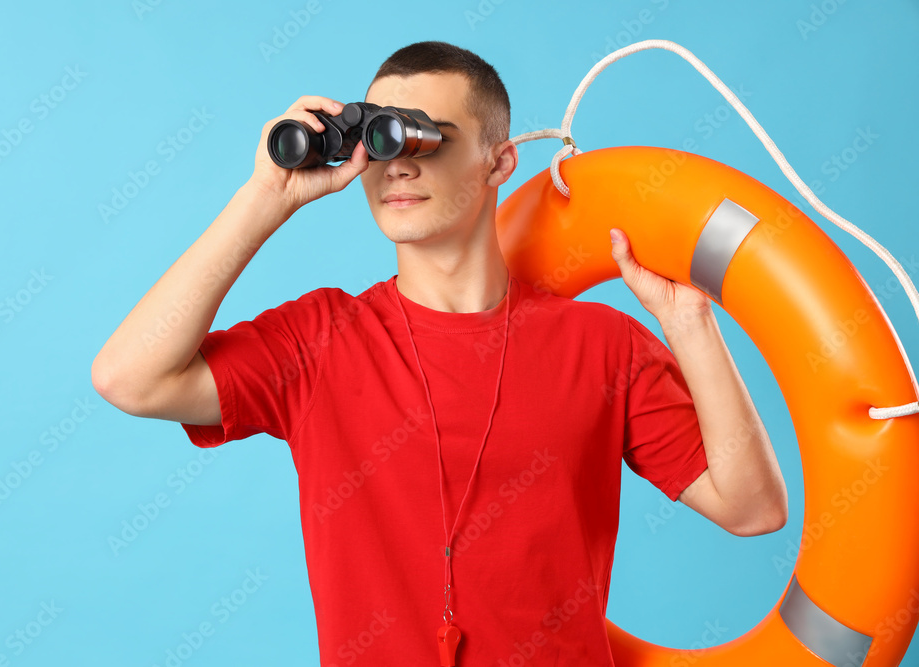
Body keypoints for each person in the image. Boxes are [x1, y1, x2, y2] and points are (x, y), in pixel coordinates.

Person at [92, 40, 787, 667]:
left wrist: (690, 320)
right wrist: (265, 198)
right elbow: (129, 377)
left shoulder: (600, 344)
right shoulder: (321, 339)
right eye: (381, 139)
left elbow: (752, 508)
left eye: (427, 139)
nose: (398, 166)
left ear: (500, 160)